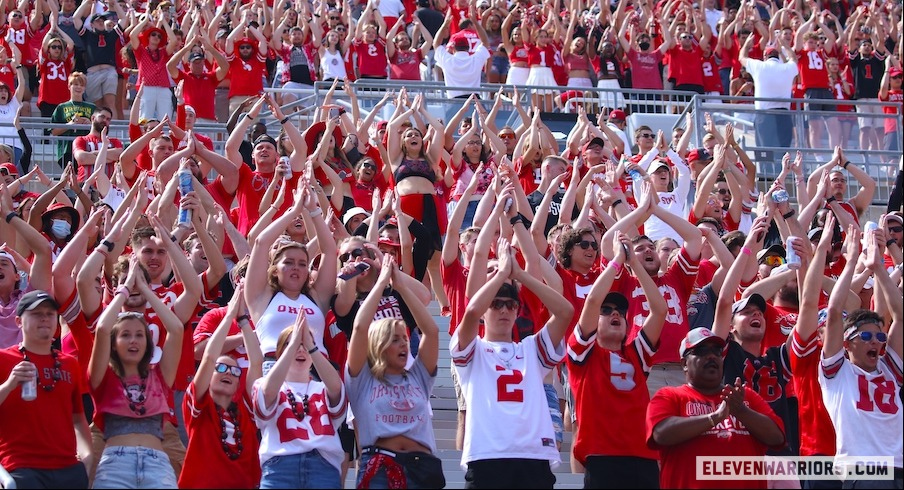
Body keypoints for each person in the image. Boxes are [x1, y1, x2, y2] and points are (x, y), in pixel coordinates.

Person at [451, 238, 573, 488]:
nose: (504, 311)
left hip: (533, 456)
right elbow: (472, 311)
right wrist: (501, 275)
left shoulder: (531, 349)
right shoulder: (474, 349)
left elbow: (565, 312)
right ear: (486, 310)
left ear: (518, 311)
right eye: (496, 304)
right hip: (487, 455)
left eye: (510, 305)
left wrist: (520, 274)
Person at [567, 233, 667, 489]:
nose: (615, 314)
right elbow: (592, 300)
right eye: (607, 311)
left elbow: (659, 310)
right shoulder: (582, 356)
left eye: (620, 312)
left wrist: (634, 264)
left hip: (644, 458)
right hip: (602, 458)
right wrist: (616, 263)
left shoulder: (636, 355)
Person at [646, 327, 786, 489]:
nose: (711, 355)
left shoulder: (744, 396)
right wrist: (715, 417)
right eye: (702, 351)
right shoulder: (669, 396)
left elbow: (778, 438)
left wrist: (741, 411)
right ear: (684, 363)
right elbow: (661, 434)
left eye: (717, 351)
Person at [346, 254, 443, 488]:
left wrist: (399, 284)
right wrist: (380, 284)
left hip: (423, 468)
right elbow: (359, 328)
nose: (403, 344)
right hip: (380, 468)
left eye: (404, 338)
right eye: (395, 340)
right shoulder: (363, 379)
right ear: (379, 345)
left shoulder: (418, 375)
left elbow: (431, 332)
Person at [88, 257, 184, 489]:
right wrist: (125, 288)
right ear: (113, 343)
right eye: (125, 335)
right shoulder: (103, 377)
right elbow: (102, 328)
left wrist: (145, 288)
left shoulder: (159, 376)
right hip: (114, 465)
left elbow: (176, 328)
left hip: (157, 466)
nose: (133, 341)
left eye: (140, 335)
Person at [819, 227, 903, 487]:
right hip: (864, 471)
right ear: (847, 343)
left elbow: (900, 316)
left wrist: (878, 267)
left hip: (899, 468)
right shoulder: (837, 373)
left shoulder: (888, 367)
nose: (876, 343)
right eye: (866, 338)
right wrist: (852, 262)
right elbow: (834, 312)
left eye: (879, 338)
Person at [0, 290, 93, 489]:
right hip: (22, 468)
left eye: (50, 314)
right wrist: (8, 385)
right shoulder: (3, 359)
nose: (45, 319)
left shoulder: (69, 363)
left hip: (68, 468)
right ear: (18, 321)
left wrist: (87, 456)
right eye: (36, 314)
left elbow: (78, 417)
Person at [179, 283, 263, 489]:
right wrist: (229, 316)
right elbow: (208, 357)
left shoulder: (246, 410)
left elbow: (256, 363)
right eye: (222, 368)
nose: (229, 373)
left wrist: (244, 320)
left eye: (235, 372)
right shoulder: (198, 408)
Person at [252, 311, 347, 489]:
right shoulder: (263, 383)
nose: (301, 349)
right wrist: (293, 343)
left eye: (306, 345)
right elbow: (266, 396)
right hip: (280, 468)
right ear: (281, 353)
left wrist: (311, 345)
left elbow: (337, 388)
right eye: (294, 345)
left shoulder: (323, 387)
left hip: (323, 467)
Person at [739, 37, 798, 149]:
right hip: (783, 115)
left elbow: (741, 58)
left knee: (765, 153)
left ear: (765, 57)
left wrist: (746, 45)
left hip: (764, 114)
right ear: (778, 56)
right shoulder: (786, 68)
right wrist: (786, 45)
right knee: (783, 152)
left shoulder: (759, 66)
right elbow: (794, 59)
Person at [50, 72, 95, 170]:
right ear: (69, 86)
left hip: (87, 149)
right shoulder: (61, 108)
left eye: (82, 85)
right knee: (71, 179)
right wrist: (70, 124)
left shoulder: (92, 107)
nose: (78, 87)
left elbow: (101, 128)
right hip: (67, 150)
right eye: (75, 84)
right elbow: (53, 131)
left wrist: (90, 124)